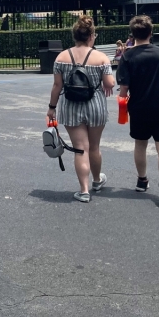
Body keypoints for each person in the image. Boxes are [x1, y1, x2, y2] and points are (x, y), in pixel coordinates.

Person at [46, 16, 114, 203]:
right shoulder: (101, 57)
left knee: (80, 149)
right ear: (91, 36)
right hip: (96, 105)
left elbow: (57, 86)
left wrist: (51, 108)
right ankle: (97, 180)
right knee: (94, 146)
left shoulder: (61, 57)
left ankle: (84, 190)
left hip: (70, 106)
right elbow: (109, 83)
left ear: (75, 35)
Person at [116, 15, 159, 206]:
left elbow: (124, 89)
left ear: (132, 35)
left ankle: (142, 180)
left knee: (140, 144)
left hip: (139, 107)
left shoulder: (127, 56)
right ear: (151, 33)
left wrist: (122, 104)